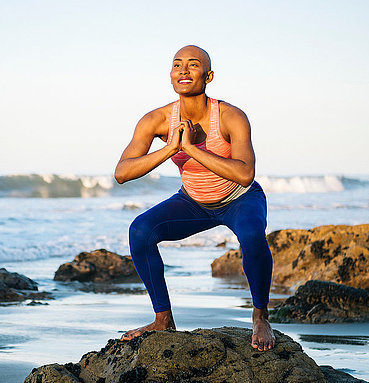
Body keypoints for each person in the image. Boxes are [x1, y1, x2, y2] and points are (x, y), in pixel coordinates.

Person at [114, 45, 275, 351]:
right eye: (177, 65)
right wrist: (171, 148)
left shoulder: (230, 116)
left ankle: (260, 315)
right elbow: (122, 172)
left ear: (208, 75)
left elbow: (245, 174)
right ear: (171, 76)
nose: (184, 70)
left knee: (253, 235)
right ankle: (163, 319)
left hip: (240, 199)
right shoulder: (157, 119)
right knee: (140, 231)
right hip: (193, 202)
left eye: (193, 65)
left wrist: (192, 149)